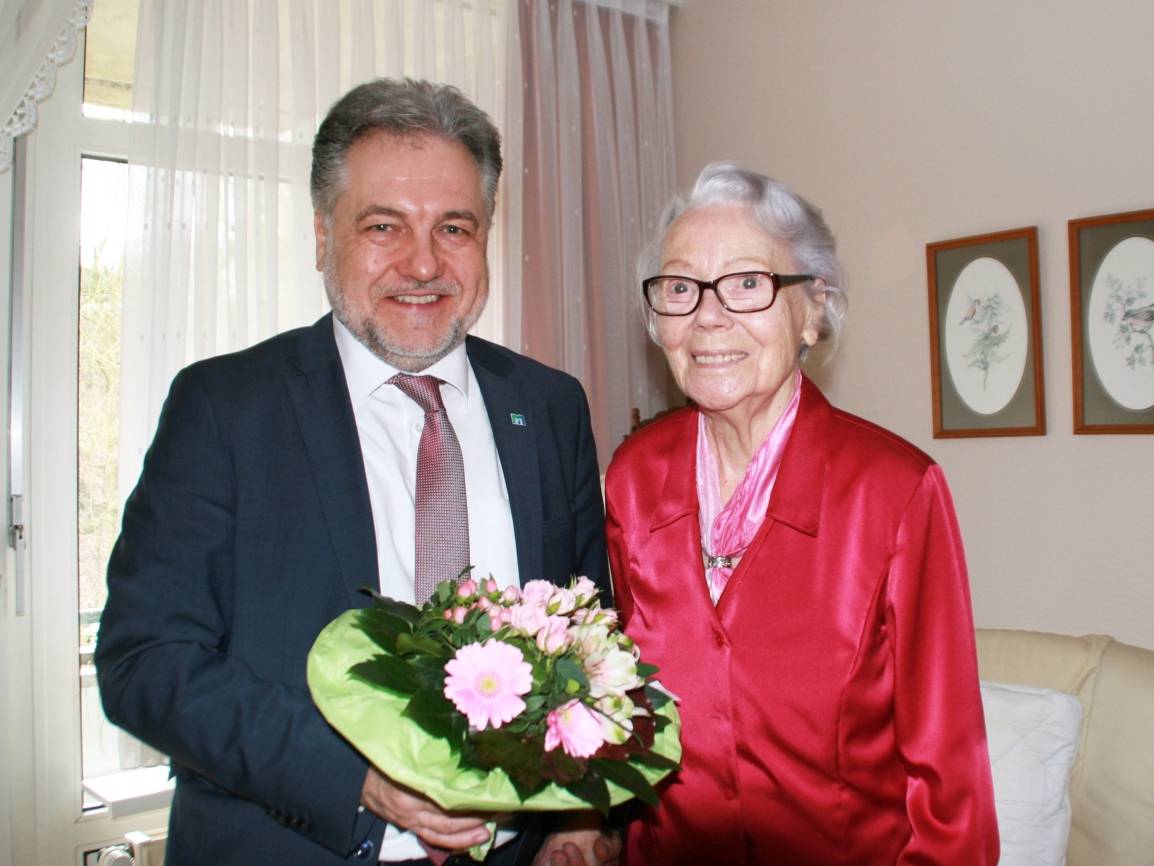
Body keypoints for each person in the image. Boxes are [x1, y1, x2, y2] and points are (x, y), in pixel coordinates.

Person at [95, 78, 616, 866]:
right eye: (383, 225)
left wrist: (585, 811)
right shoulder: (224, 408)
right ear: (320, 235)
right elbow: (145, 664)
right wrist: (356, 776)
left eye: (455, 227)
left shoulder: (548, 407)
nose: (422, 262)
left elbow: (591, 642)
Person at [603, 163, 1000, 865]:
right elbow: (625, 712)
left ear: (813, 310)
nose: (708, 316)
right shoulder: (633, 478)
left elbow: (951, 791)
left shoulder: (896, 492)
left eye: (749, 284)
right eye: (680, 288)